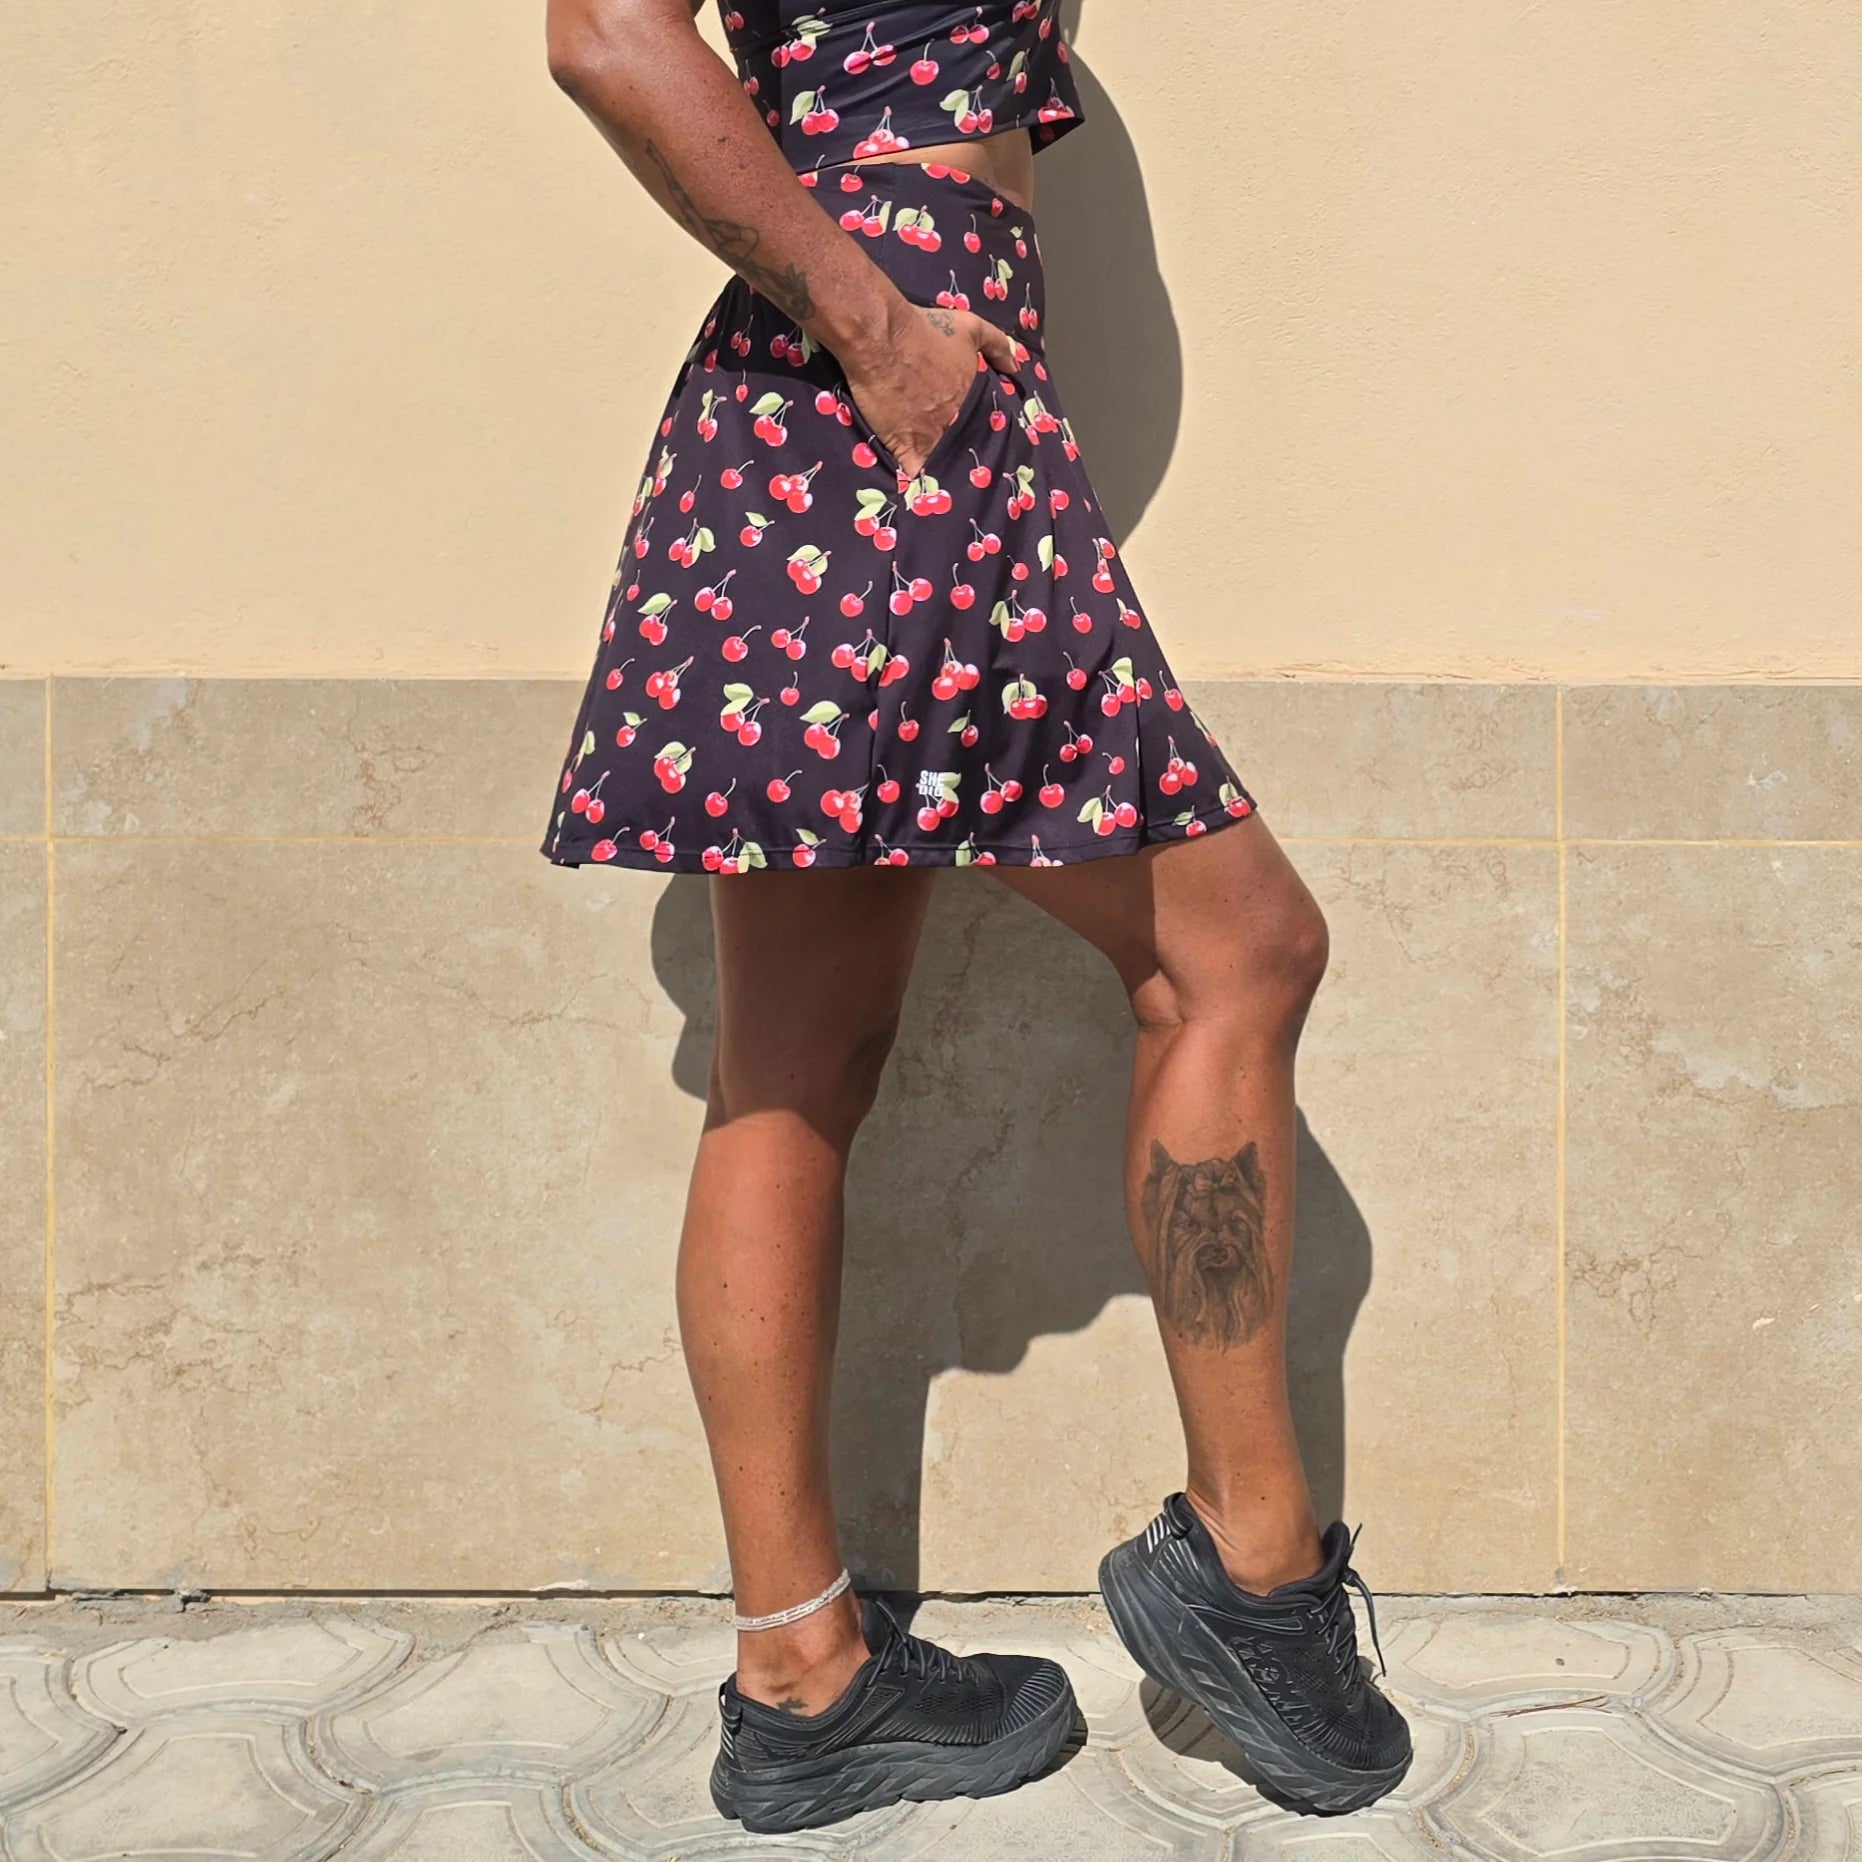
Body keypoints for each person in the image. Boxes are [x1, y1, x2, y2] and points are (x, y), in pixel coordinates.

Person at [539, 0, 1411, 1833]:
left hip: (856, 391)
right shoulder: (888, 325)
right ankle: (1253, 1576)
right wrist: (882, 333)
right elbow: (606, 30)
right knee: (1238, 951)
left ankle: (803, 1679)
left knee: (793, 1063)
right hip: (885, 394)